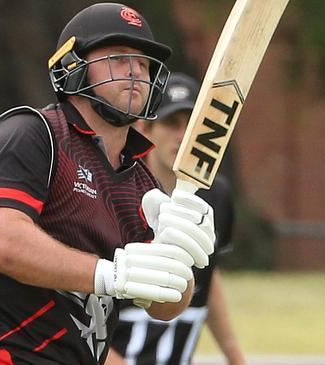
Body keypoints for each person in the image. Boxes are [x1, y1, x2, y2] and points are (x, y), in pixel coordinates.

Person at [0, 4, 216, 365]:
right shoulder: (31, 134)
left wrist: (179, 260)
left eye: (143, 63)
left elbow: (165, 306)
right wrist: (110, 274)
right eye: (117, 58)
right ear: (72, 66)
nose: (135, 72)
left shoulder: (142, 181)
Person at [106, 73, 247, 365]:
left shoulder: (216, 194)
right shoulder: (115, 192)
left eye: (191, 125)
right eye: (171, 124)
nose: (182, 136)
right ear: (145, 128)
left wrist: (235, 356)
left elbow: (208, 276)